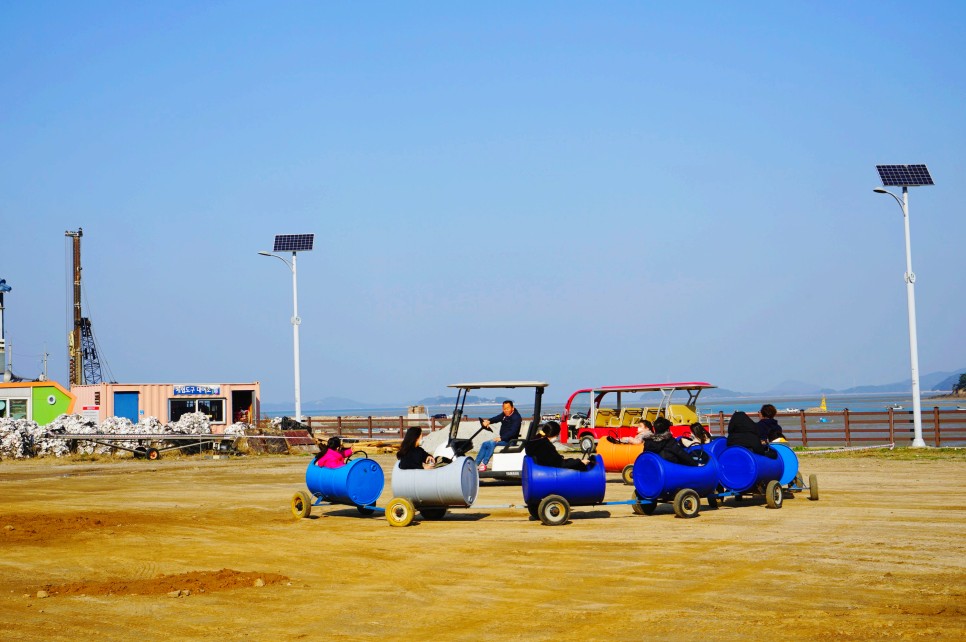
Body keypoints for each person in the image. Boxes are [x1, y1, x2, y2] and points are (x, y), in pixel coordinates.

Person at [476, 400, 523, 472]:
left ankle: (484, 464)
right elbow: (497, 418)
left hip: (510, 441)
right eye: (504, 409)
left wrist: (501, 438)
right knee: (485, 444)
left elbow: (513, 432)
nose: (506, 410)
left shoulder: (516, 417)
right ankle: (475, 464)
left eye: (507, 408)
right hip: (504, 440)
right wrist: (489, 421)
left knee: (492, 443)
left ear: (512, 408)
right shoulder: (504, 414)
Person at [525, 421, 591, 470]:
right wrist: (579, 462)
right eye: (557, 435)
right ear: (554, 434)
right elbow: (560, 463)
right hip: (549, 473)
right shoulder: (546, 446)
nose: (557, 437)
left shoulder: (533, 442)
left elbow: (554, 460)